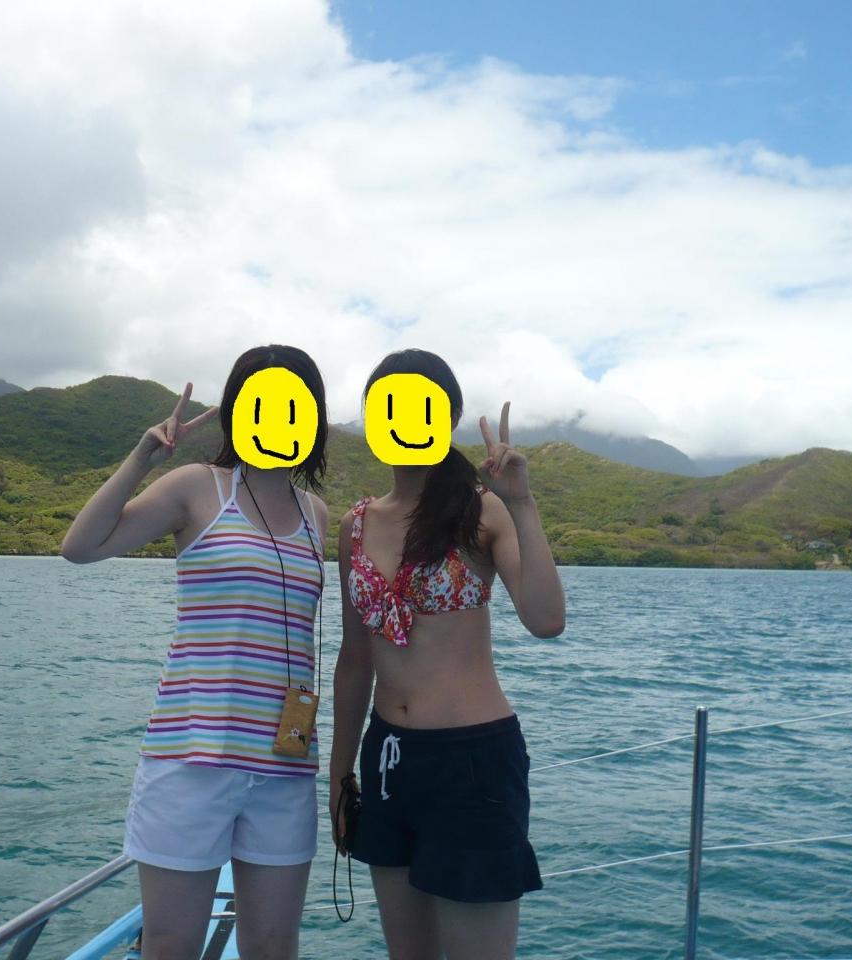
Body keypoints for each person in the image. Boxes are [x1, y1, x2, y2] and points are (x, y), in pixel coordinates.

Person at [60, 345, 330, 960]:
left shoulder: (315, 513)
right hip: (192, 756)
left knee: (273, 946)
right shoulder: (198, 488)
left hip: (285, 767)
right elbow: (81, 547)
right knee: (171, 943)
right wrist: (141, 458)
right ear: (237, 410)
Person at [329, 349, 565, 960]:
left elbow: (545, 619)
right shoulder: (354, 526)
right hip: (387, 760)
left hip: (473, 762)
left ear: (448, 419)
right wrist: (339, 775)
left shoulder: (480, 511)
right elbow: (355, 659)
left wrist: (521, 502)